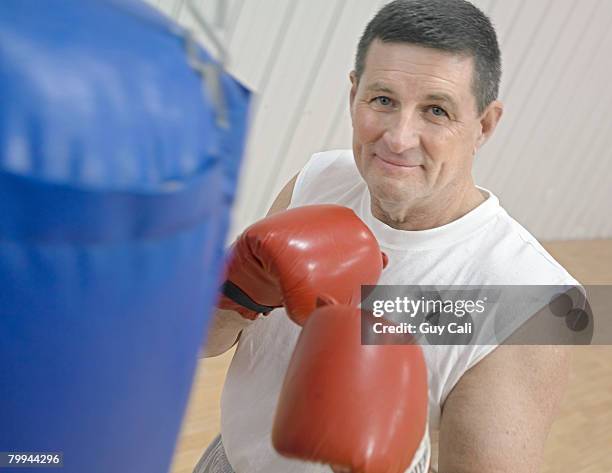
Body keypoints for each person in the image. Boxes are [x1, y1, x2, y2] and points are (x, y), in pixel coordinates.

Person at [196, 0, 580, 472]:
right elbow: (206, 341)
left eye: (435, 110)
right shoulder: (318, 180)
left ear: (484, 125)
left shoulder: (527, 303)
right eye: (383, 100)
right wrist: (237, 290)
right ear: (353, 94)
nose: (398, 138)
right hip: (226, 460)